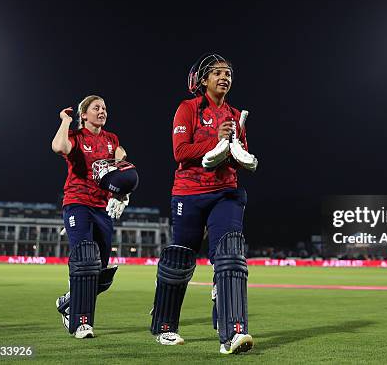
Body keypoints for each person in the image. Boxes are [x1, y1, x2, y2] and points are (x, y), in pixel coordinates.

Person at [150, 53, 258, 354]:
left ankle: (233, 333)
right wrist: (215, 143)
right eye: (218, 73)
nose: (225, 78)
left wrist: (237, 148)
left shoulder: (237, 115)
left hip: (226, 192)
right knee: (179, 262)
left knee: (230, 255)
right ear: (203, 80)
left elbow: (241, 156)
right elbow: (180, 151)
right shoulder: (188, 109)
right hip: (189, 193)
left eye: (229, 74)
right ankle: (165, 326)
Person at [51, 95, 135, 339]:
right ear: (84, 115)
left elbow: (123, 164)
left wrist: (123, 192)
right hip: (77, 203)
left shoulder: (112, 139)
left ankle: (69, 302)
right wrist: (66, 121)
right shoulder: (75, 136)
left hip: (101, 207)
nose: (102, 111)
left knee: (101, 271)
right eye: (96, 108)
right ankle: (80, 323)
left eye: (105, 108)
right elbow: (58, 147)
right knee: (85, 260)